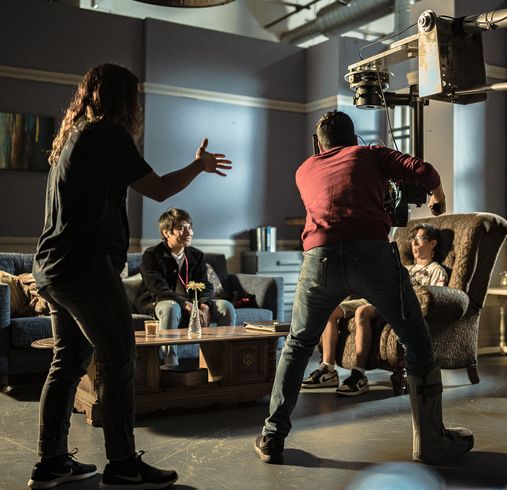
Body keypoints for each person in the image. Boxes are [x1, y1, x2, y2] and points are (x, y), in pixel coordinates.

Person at [29, 63, 231, 489]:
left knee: (67, 362)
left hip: (53, 266)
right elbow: (157, 189)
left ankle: (52, 463)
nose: (138, 106)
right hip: (83, 267)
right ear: (124, 100)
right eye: (135, 98)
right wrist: (198, 166)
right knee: (119, 356)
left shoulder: (73, 136)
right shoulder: (107, 133)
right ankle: (122, 465)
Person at [254, 110, 472, 466]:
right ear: (354, 139)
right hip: (371, 254)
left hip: (319, 258)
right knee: (416, 341)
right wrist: (438, 195)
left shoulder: (304, 169)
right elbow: (424, 171)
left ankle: (272, 436)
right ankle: (431, 440)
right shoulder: (370, 154)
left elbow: (337, 197)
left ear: (317, 144)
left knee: (296, 344)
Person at [302, 223, 448, 397]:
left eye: (420, 239)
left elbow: (434, 298)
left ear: (432, 243)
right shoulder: (405, 268)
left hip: (396, 302)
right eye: (413, 240)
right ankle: (328, 369)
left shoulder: (436, 270)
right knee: (331, 311)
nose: (414, 244)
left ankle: (359, 374)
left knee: (362, 312)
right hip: (376, 296)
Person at [135, 208, 237, 366]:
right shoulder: (152, 255)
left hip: (193, 303)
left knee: (226, 307)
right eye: (181, 228)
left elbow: (206, 286)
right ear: (166, 232)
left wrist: (204, 304)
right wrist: (187, 305)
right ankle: (170, 365)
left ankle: (221, 364)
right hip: (161, 302)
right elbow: (158, 289)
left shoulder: (196, 255)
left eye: (189, 227)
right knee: (171, 307)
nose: (189, 232)